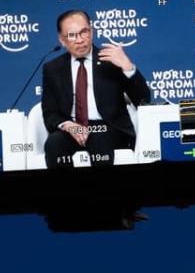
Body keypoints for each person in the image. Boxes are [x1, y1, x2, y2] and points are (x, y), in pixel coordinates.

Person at [40, 9, 151, 169]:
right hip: (72, 128)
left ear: (91, 32)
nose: (79, 40)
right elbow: (50, 112)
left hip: (109, 129)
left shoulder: (111, 60)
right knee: (54, 143)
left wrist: (128, 67)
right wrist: (68, 125)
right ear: (62, 40)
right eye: (72, 35)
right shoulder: (52, 68)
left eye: (84, 32)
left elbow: (143, 100)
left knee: (99, 137)